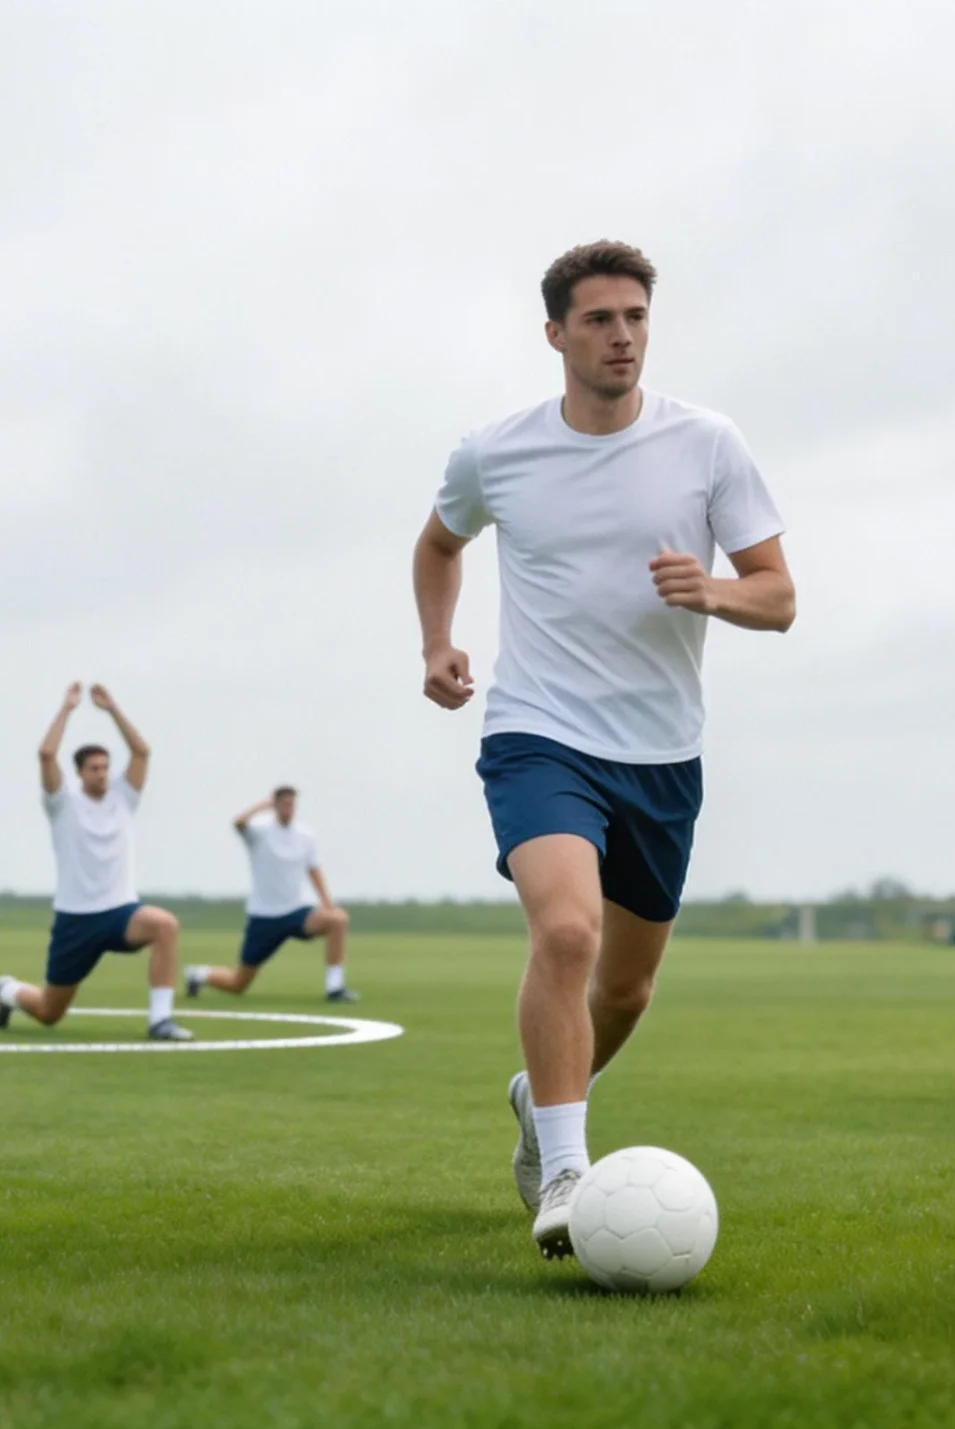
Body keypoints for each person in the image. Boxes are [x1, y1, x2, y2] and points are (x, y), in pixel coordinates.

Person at [411, 240, 794, 1260]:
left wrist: (712, 589)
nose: (620, 335)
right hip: (537, 731)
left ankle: (538, 1093)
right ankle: (566, 1168)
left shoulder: (707, 444)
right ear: (555, 335)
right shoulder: (494, 452)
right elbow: (439, 543)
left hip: (661, 751)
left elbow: (779, 594)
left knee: (622, 990)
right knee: (567, 936)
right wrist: (439, 644)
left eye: (634, 317)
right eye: (598, 320)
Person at [0, 682, 189, 1041]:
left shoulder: (123, 799)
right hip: (76, 919)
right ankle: (6, 992)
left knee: (165, 925)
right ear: (79, 772)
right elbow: (46, 754)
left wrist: (112, 709)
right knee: (50, 1012)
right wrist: (66, 709)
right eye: (94, 768)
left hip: (120, 913)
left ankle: (160, 1021)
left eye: (105, 767)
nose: (102, 774)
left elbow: (142, 751)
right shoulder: (62, 804)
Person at [185, 786, 356, 1003]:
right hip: (264, 916)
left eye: (292, 804)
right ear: (274, 805)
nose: (288, 808)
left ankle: (335, 988)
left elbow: (314, 869)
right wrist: (262, 805)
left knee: (337, 920)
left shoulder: (306, 835)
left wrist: (327, 902)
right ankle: (198, 975)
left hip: (297, 911)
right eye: (283, 803)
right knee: (238, 984)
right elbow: (238, 823)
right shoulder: (259, 831)